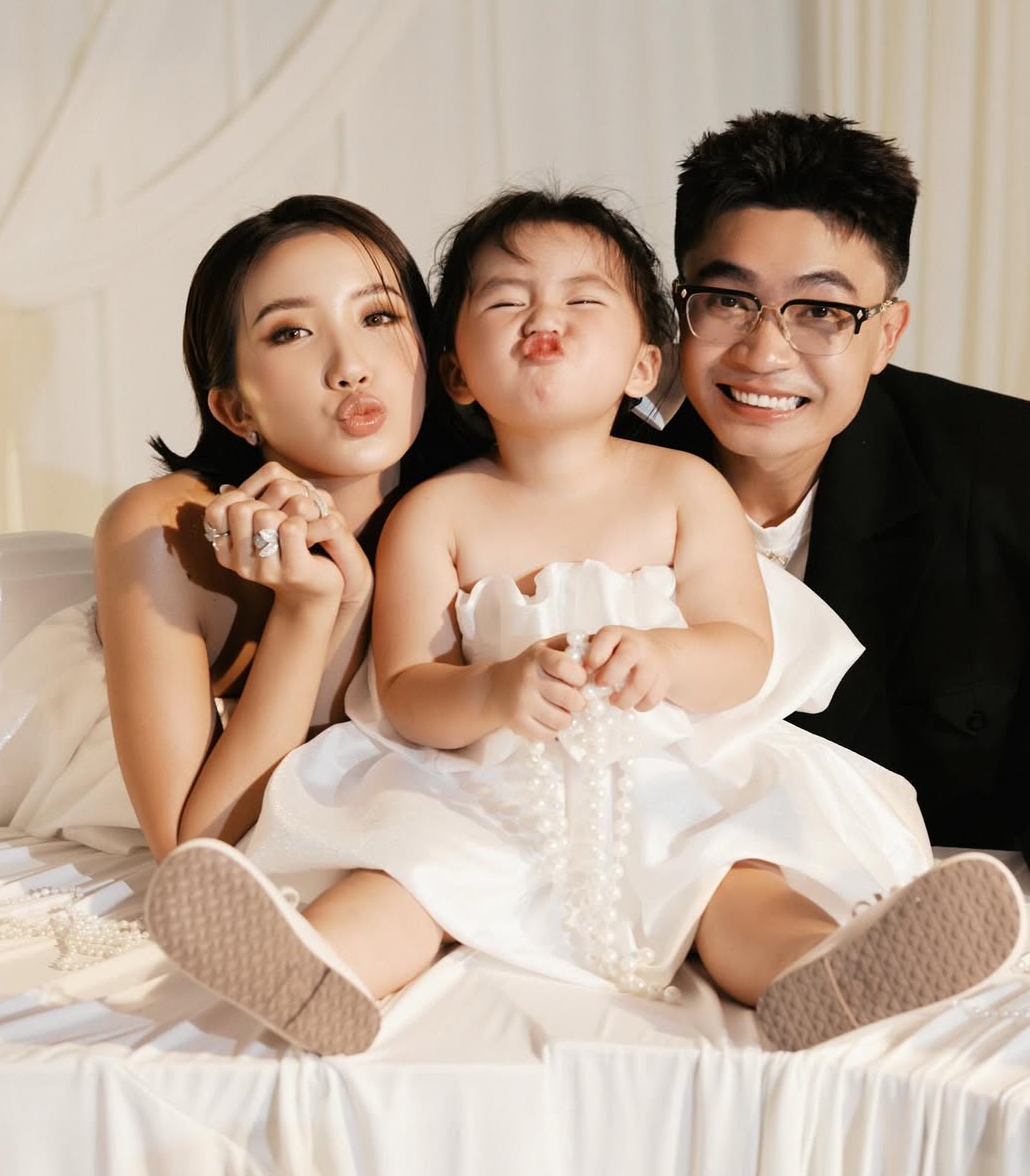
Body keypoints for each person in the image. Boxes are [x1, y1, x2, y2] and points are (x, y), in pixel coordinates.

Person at [145, 188, 1024, 1057]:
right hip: (488, 788)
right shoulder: (436, 514)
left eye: (582, 300)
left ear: (645, 365)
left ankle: (821, 969)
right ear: (456, 372)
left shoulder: (684, 489)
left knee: (735, 874)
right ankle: (313, 968)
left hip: (666, 776)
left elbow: (745, 652)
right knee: (412, 870)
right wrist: (494, 691)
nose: (544, 319)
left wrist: (666, 658)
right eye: (505, 301)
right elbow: (405, 692)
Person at [0, 195, 445, 860]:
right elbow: (195, 847)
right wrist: (307, 610)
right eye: (291, 332)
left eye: (378, 316)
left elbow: (351, 768)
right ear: (235, 409)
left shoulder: (476, 501)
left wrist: (351, 601)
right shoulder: (161, 535)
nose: (350, 365)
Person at [645, 110, 1030, 858]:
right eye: (728, 300)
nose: (764, 353)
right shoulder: (597, 462)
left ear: (887, 333)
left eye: (821, 310)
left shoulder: (1009, 470)